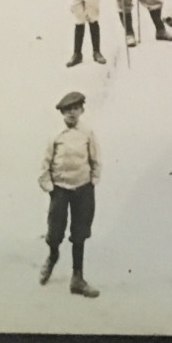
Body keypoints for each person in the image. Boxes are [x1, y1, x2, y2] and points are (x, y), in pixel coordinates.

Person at [38, 91, 101, 298]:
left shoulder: (88, 132)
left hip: (82, 189)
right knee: (55, 231)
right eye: (67, 110)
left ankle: (77, 278)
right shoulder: (55, 135)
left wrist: (92, 181)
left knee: (80, 232)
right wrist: (50, 187)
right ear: (62, 113)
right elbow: (45, 163)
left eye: (75, 109)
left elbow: (95, 158)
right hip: (60, 189)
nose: (72, 114)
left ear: (82, 110)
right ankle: (52, 255)